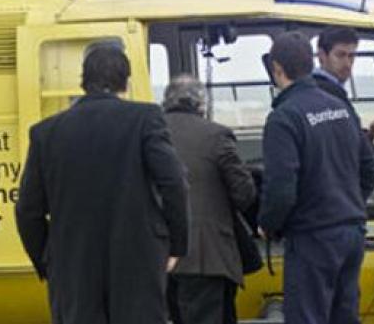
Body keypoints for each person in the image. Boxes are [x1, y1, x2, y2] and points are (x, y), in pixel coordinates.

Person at [15, 44, 189, 324]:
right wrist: (176, 245)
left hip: (72, 267)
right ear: (126, 81)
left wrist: (48, 260)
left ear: (83, 81)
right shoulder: (145, 118)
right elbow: (174, 182)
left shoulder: (45, 133)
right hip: (138, 261)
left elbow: (27, 210)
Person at [259, 32, 374, 324]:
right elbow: (370, 171)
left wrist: (268, 225)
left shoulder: (284, 118)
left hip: (313, 238)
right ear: (311, 61)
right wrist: (345, 205)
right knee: (344, 316)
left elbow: (281, 189)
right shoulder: (340, 107)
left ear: (277, 69)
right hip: (351, 233)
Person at [163, 75, 257, 324]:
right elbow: (243, 193)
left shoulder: (150, 134)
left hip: (158, 256)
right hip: (207, 257)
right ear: (201, 104)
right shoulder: (216, 135)